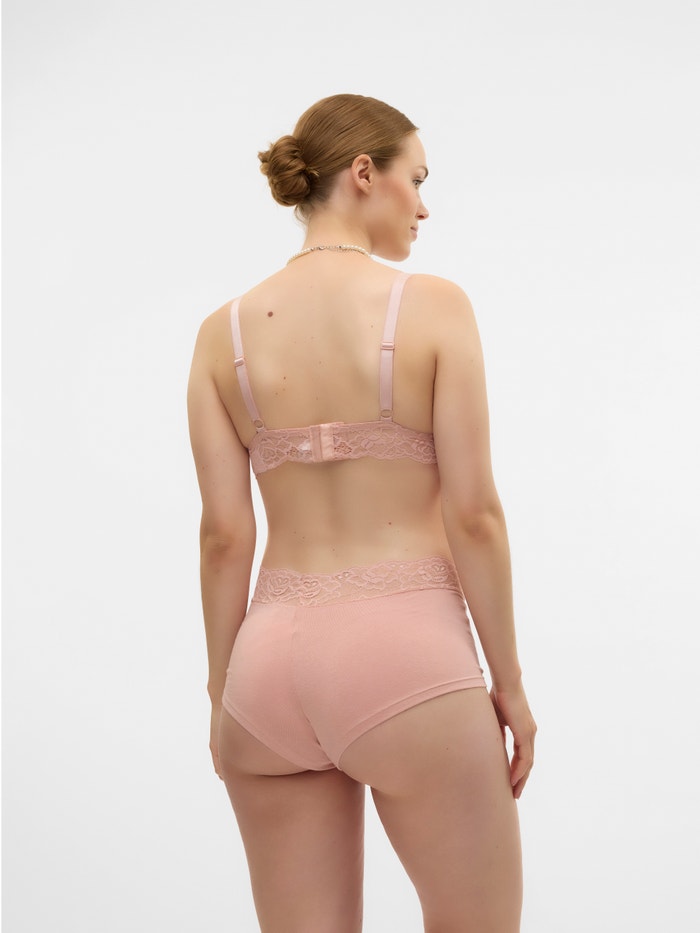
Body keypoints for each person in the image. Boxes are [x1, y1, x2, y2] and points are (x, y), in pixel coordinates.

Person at [187, 93, 536, 933]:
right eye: (418, 179)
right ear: (364, 172)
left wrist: (223, 693)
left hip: (266, 670)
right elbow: (475, 514)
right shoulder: (433, 306)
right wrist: (510, 685)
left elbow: (224, 535)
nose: (424, 205)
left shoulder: (219, 334)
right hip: (405, 651)